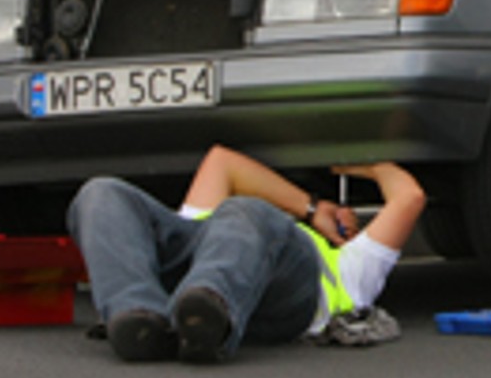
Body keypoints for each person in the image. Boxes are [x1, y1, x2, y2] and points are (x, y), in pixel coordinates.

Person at [68, 146, 426, 364]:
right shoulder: (221, 220)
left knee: (248, 212)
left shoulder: (354, 266)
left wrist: (361, 164)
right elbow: (222, 161)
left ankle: (208, 311)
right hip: (188, 272)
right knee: (101, 193)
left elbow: (408, 197)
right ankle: (141, 318)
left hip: (283, 301)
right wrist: (313, 208)